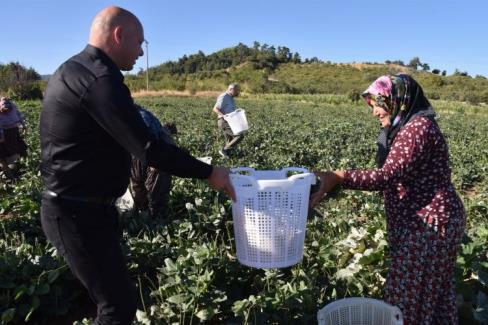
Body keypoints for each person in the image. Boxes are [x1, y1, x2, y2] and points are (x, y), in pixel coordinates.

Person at [39, 6, 235, 325]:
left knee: (117, 301)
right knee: (116, 308)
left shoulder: (78, 70)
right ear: (118, 35)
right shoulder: (98, 79)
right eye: (139, 42)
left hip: (85, 209)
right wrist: (210, 171)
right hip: (76, 213)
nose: (141, 51)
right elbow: (148, 148)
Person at [310, 74, 466, 324]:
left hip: (428, 226)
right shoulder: (409, 126)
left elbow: (387, 176)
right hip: (431, 221)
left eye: (378, 105)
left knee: (405, 301)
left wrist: (339, 177)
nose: (374, 113)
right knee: (433, 294)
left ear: (397, 100)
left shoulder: (417, 129)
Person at [129, 104, 176, 218]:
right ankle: (145, 212)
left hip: (152, 157)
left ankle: (153, 217)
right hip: (143, 156)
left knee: (153, 191)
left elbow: (149, 139)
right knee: (140, 186)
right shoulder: (141, 115)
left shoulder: (142, 116)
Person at [212, 83, 244, 158]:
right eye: (236, 91)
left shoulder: (231, 98)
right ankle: (224, 150)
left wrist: (237, 112)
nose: (237, 92)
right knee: (239, 135)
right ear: (230, 89)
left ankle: (226, 158)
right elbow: (215, 109)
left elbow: (229, 111)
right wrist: (224, 116)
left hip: (230, 121)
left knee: (230, 141)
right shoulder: (224, 96)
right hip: (224, 121)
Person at [0, 96, 27, 179]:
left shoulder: (13, 107)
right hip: (6, 133)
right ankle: (10, 175)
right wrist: (2, 136)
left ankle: (17, 170)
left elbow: (19, 115)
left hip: (11, 131)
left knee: (16, 150)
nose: (7, 111)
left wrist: (23, 125)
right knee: (3, 156)